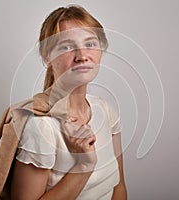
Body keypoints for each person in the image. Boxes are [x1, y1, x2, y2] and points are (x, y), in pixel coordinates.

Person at [10, 5, 127, 199]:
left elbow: (120, 187)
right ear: (47, 56)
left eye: (90, 44)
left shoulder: (106, 111)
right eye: (66, 47)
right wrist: (84, 166)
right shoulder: (41, 127)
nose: (82, 56)